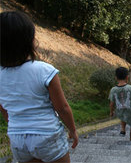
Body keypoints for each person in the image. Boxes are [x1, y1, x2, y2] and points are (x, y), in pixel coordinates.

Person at [0, 11, 78, 163]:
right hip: (46, 134)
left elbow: (4, 109)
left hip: (17, 137)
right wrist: (73, 130)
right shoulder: (44, 70)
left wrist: (17, 125)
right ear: (29, 41)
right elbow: (62, 107)